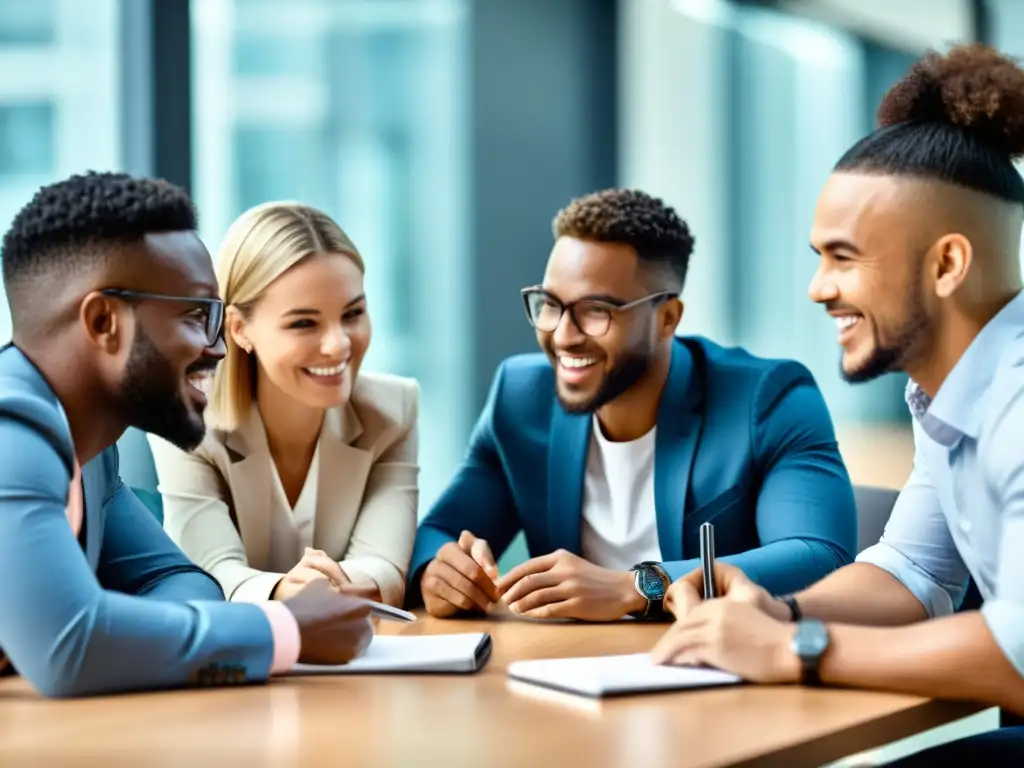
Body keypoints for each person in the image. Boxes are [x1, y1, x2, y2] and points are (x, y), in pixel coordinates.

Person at [651, 44, 1024, 760]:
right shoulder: (951, 397)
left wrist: (800, 646)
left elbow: (1018, 648)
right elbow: (914, 571)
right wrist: (778, 609)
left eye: (843, 257)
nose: (819, 288)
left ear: (947, 264)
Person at [0, 172, 373, 698]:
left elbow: (181, 581)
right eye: (196, 314)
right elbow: (71, 647)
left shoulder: (92, 458)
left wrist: (105, 636)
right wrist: (286, 629)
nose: (218, 348)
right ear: (105, 320)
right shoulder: (10, 437)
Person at [409, 188, 857, 621]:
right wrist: (439, 570)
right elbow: (439, 532)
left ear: (667, 319)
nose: (564, 335)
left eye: (596, 310)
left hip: (717, 673)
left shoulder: (768, 398)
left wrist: (636, 587)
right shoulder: (520, 397)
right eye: (550, 304)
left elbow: (821, 555)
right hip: (569, 673)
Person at [149, 202, 418, 608]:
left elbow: (383, 564)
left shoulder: (394, 410)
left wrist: (339, 586)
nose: (339, 344)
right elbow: (210, 571)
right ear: (239, 329)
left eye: (353, 313)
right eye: (304, 323)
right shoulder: (183, 416)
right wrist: (282, 593)